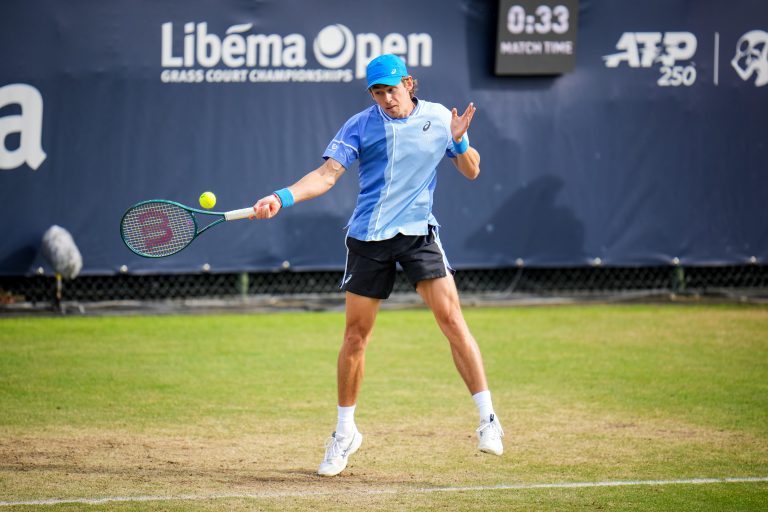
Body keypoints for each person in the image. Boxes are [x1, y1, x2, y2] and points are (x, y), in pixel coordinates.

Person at [251, 54, 503, 477]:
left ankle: (488, 420)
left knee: (452, 320)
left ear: (408, 84)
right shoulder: (360, 125)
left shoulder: (441, 118)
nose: (386, 98)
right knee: (355, 338)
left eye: (391, 89)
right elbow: (327, 175)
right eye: (378, 92)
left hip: (419, 233)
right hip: (369, 238)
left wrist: (459, 141)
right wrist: (283, 196)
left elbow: (472, 170)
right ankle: (345, 433)